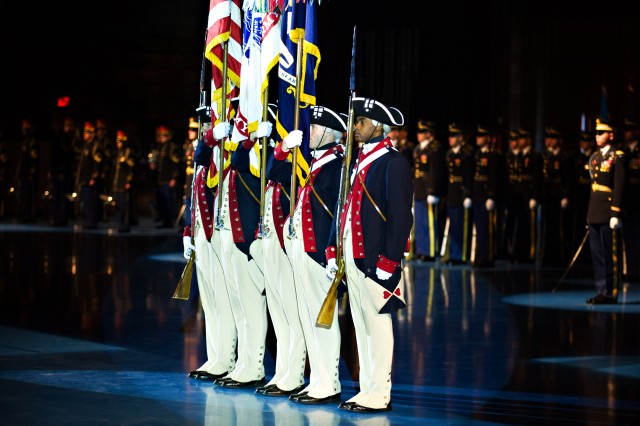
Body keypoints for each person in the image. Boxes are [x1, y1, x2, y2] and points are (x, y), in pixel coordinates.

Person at [326, 97, 412, 413]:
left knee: (377, 326)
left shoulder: (393, 162)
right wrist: (336, 250)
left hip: (377, 260)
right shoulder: (359, 160)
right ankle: (367, 389)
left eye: (360, 122)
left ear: (377, 125)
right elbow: (346, 209)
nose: (354, 128)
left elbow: (402, 215)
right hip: (356, 258)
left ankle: (380, 393)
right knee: (361, 327)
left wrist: (390, 259)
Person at [274, 105, 347, 403]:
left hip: (320, 252)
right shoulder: (314, 162)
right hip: (304, 249)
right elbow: (274, 173)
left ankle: (328, 382)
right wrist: (282, 150)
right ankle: (316, 378)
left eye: (314, 129)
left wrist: (332, 253)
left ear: (329, 133)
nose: (308, 133)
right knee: (307, 318)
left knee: (322, 321)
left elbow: (337, 214)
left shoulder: (337, 165)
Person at [213, 114, 268, 388]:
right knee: (238, 307)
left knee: (251, 307)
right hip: (232, 238)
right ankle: (243, 363)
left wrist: (249, 143)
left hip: (247, 243)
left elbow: (238, 161)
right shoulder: (243, 153)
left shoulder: (258, 155)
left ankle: (253, 365)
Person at [183, 120, 237, 381]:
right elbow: (191, 199)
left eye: (209, 126)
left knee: (222, 301)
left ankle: (225, 358)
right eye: (205, 127)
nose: (205, 132)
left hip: (216, 235)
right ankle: (214, 356)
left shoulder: (221, 158)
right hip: (201, 235)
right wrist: (187, 233)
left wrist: (213, 141)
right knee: (210, 302)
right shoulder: (203, 160)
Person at [586, 118, 626, 304]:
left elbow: (619, 186)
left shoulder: (617, 157)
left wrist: (615, 213)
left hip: (608, 211)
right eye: (596, 133)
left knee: (610, 254)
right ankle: (601, 289)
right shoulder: (594, 158)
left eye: (601, 133)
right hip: (595, 211)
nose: (597, 136)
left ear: (610, 135)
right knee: (597, 255)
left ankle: (611, 292)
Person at [506, 128, 542, 263]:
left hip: (528, 195)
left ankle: (530, 254)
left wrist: (535, 196)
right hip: (518, 196)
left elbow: (537, 178)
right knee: (518, 226)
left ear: (528, 140)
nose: (519, 141)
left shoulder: (535, 156)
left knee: (529, 227)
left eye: (522, 138)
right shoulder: (519, 156)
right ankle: (518, 253)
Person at [440, 123, 475, 264]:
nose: (450, 139)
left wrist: (468, 194)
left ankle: (461, 255)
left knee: (462, 226)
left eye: (453, 136)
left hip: (461, 193)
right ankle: (453, 254)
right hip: (452, 193)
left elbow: (469, 175)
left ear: (460, 137)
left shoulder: (466, 154)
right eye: (450, 136)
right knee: (453, 226)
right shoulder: (450, 154)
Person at [412, 119, 446, 261]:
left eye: (422, 132)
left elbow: (435, 171)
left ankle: (430, 251)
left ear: (429, 133)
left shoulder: (435, 148)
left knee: (430, 223)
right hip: (419, 189)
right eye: (419, 132)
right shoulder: (419, 149)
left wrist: (433, 191)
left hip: (428, 190)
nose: (419, 134)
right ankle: (421, 249)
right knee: (420, 222)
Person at [540, 126, 574, 265]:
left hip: (559, 194)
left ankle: (560, 257)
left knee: (560, 228)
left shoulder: (564, 157)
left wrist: (565, 195)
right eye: (548, 138)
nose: (550, 141)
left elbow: (567, 177)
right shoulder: (545, 156)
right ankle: (547, 256)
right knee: (547, 227)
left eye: (553, 138)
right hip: (548, 195)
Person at [471, 125, 500, 267]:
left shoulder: (493, 154)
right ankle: (479, 255)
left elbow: (494, 177)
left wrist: (491, 196)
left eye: (481, 136)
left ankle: (487, 257)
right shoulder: (477, 154)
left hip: (486, 195)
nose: (478, 139)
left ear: (487, 138)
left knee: (487, 229)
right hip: (477, 195)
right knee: (479, 228)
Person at [148, 125, 181, 228]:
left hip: (168, 179)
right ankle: (164, 221)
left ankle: (169, 222)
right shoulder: (158, 147)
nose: (161, 138)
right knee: (161, 201)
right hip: (159, 179)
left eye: (163, 136)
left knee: (168, 202)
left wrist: (174, 178)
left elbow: (176, 163)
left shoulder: (172, 147)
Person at [75, 121, 103, 229]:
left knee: (90, 201)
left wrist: (93, 177)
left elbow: (97, 163)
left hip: (89, 179)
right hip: (84, 179)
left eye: (86, 132)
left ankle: (92, 222)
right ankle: (88, 221)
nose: (84, 134)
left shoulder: (94, 146)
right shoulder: (86, 146)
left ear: (92, 134)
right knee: (86, 202)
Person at [621, 117, 639, 281]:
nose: (626, 133)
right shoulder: (623, 152)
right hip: (627, 201)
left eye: (629, 130)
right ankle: (630, 271)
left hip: (638, 199)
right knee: (628, 239)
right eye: (625, 130)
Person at [15, 119, 40, 222]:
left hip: (29, 174)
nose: (23, 129)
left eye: (25, 127)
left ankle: (30, 216)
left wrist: (32, 172)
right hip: (24, 173)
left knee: (30, 196)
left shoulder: (32, 141)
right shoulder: (25, 141)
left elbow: (34, 159)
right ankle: (26, 215)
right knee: (24, 196)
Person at [111, 131, 135, 232]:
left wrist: (128, 181)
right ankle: (121, 224)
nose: (118, 144)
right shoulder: (118, 153)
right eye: (117, 142)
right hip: (118, 182)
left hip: (124, 182)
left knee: (124, 205)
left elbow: (131, 167)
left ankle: (125, 225)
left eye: (120, 142)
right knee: (119, 205)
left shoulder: (127, 152)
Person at [182, 117, 199, 229]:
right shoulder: (190, 145)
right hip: (189, 177)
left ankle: (191, 224)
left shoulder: (197, 144)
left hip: (195, 176)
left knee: (193, 201)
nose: (189, 132)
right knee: (188, 200)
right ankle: (188, 224)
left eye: (192, 130)